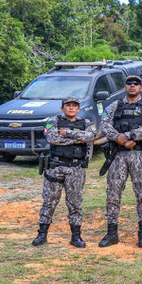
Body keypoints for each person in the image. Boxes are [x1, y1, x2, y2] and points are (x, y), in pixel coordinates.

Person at [99, 75, 142, 248]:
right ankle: (111, 233)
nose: (132, 86)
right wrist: (118, 138)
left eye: (136, 84)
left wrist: (131, 136)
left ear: (140, 88)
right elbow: (104, 124)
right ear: (125, 87)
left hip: (139, 155)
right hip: (118, 155)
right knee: (113, 194)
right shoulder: (115, 105)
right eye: (129, 84)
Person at [32, 97, 95, 248]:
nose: (71, 108)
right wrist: (77, 138)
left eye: (74, 106)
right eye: (68, 106)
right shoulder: (53, 121)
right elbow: (52, 138)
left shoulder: (85, 123)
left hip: (76, 169)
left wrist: (67, 133)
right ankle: (42, 234)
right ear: (62, 108)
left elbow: (91, 136)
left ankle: (76, 236)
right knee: (49, 202)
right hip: (56, 167)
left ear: (78, 109)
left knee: (75, 203)